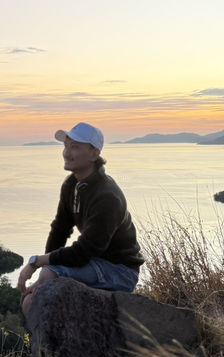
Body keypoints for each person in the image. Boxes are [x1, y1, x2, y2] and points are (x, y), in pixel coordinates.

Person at [17, 122, 144, 314]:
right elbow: (60, 230)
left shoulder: (107, 196)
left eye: (75, 147)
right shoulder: (72, 185)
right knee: (31, 298)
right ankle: (47, 333)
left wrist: (38, 262)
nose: (66, 153)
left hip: (120, 271)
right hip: (95, 263)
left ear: (94, 154)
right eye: (66, 146)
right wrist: (45, 266)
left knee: (46, 279)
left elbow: (85, 250)